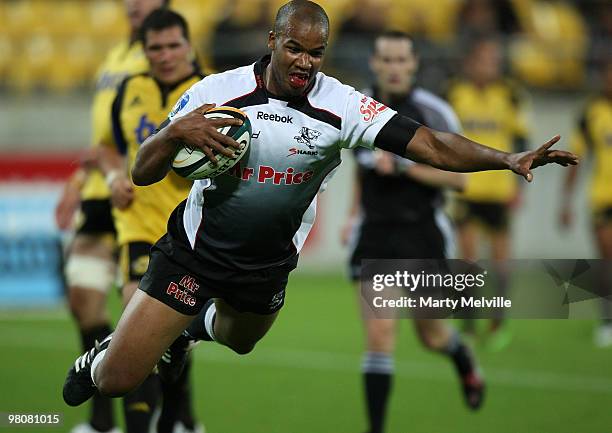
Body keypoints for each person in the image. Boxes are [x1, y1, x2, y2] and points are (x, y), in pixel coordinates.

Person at [62, 2, 577, 424]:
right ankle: (102, 354)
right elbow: (142, 171)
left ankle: (187, 333)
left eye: (317, 53)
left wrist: (506, 158)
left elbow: (431, 144)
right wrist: (174, 132)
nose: (306, 62)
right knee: (116, 381)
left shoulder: (342, 105)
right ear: (272, 40)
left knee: (241, 342)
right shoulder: (216, 93)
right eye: (294, 48)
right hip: (196, 253)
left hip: (266, 264)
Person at [340, 31, 482, 433]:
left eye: (402, 60)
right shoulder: (357, 107)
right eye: (387, 60)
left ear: (414, 63)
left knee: (432, 335)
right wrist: (352, 215)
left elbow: (460, 182)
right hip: (376, 235)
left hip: (422, 233)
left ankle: (461, 355)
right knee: (381, 334)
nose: (394, 68)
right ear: (374, 63)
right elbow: (360, 172)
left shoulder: (434, 112)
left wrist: (405, 166)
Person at [54, 2, 169, 433]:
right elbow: (103, 138)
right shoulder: (114, 57)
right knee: (83, 299)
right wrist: (77, 183)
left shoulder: (167, 55)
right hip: (102, 191)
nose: (136, 5)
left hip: (141, 197)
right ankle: (101, 419)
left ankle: (171, 418)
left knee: (145, 313)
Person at [95, 9, 205, 433]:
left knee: (176, 341)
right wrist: (112, 176)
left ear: (189, 46)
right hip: (138, 227)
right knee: (135, 331)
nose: (164, 55)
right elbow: (107, 146)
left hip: (190, 232)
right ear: (143, 51)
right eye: (154, 47)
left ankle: (178, 420)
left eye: (173, 45)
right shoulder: (130, 88)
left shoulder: (212, 90)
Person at [445, 35, 530, 347]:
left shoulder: (510, 95)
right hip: (468, 190)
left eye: (494, 60)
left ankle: (498, 324)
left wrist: (521, 186)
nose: (491, 66)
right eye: (485, 59)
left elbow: (522, 142)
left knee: (501, 264)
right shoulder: (455, 93)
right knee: (468, 261)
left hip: (500, 191)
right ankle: (468, 324)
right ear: (471, 62)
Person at [560, 59, 612, 347]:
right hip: (604, 197)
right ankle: (607, 322)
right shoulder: (591, 112)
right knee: (607, 262)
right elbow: (576, 159)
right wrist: (566, 202)